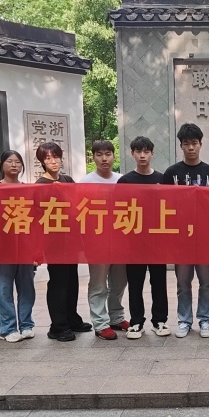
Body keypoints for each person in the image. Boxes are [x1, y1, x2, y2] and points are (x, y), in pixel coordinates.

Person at [163, 123, 209, 339]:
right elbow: (164, 206)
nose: (190, 148)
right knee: (183, 283)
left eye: (194, 143)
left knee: (206, 282)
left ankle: (205, 319)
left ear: (201, 144)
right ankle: (184, 320)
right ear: (181, 146)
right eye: (186, 144)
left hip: (205, 238)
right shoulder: (171, 173)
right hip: (181, 240)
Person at [35, 142, 91, 341]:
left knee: (72, 281)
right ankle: (58, 326)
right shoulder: (40, 185)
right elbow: (37, 218)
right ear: (42, 161)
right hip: (54, 242)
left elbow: (78, 205)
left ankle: (71, 319)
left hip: (71, 239)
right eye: (48, 158)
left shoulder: (67, 180)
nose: (53, 161)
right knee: (58, 282)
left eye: (56, 157)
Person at [117, 136, 170, 339]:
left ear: (152, 153)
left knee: (159, 282)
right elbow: (119, 212)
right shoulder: (125, 181)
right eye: (138, 151)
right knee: (135, 284)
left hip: (157, 241)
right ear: (132, 154)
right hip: (134, 242)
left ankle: (160, 321)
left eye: (146, 151)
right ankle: (136, 322)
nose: (142, 155)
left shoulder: (162, 179)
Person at [80, 140, 129, 340]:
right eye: (99, 154)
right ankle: (100, 323)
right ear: (93, 157)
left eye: (108, 154)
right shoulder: (85, 182)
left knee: (119, 282)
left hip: (120, 240)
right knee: (98, 283)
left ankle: (116, 317)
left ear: (114, 156)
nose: (104, 158)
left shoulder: (122, 180)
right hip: (97, 241)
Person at [0, 150, 37, 342]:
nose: (14, 165)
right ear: (2, 165)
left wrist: (36, 249)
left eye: (17, 162)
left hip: (25, 246)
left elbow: (36, 221)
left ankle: (26, 324)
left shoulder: (29, 190)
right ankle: (7, 328)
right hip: (1, 248)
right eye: (9, 161)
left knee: (27, 287)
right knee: (3, 288)